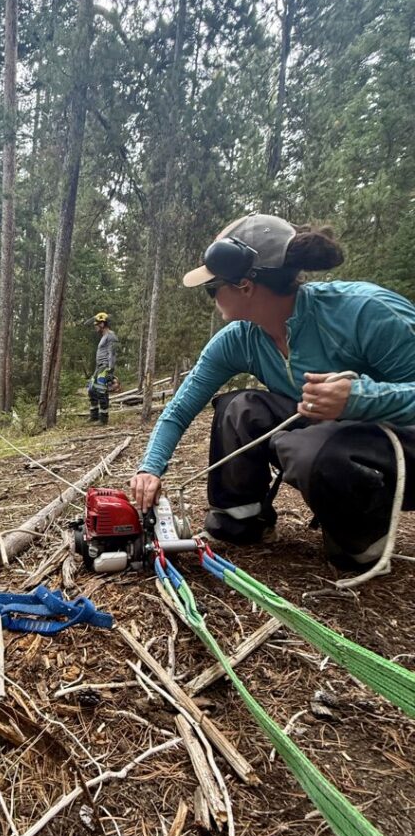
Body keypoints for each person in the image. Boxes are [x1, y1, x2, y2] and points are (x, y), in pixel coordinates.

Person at [129, 212, 415, 570]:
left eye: (212, 287)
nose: (211, 296)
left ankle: (363, 543)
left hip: (398, 452)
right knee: (239, 408)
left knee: (309, 446)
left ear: (245, 285)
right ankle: (240, 521)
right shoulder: (241, 339)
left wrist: (361, 397)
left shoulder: (365, 311)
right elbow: (180, 409)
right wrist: (149, 468)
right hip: (329, 437)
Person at [87, 312, 118, 425]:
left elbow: (112, 354)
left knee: (101, 390)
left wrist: (110, 369)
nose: (95, 326)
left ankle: (103, 418)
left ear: (102, 324)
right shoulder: (104, 337)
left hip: (105, 367)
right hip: (99, 367)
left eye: (97, 324)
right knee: (91, 389)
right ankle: (94, 415)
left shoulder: (111, 336)